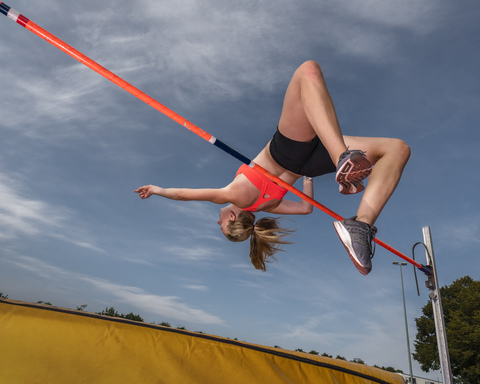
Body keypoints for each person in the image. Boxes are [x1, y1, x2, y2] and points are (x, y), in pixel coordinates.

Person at [135, 60, 410, 276]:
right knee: (307, 71)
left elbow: (305, 208)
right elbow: (184, 194)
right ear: (231, 219)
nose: (217, 220)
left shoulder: (268, 205)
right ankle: (343, 158)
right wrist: (156, 189)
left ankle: (361, 226)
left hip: (309, 163)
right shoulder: (233, 195)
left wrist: (307, 178)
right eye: (219, 225)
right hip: (289, 151)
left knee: (397, 150)